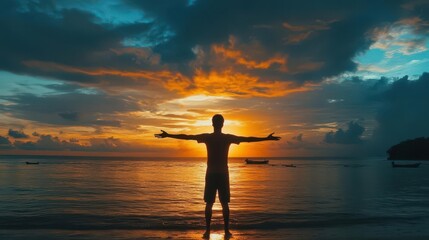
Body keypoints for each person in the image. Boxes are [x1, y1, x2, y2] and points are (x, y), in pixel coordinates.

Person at [155, 114, 280, 238]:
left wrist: (168, 135)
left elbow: (187, 137)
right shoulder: (227, 138)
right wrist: (266, 138)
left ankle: (208, 230)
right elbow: (247, 139)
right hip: (223, 174)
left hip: (211, 173)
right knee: (224, 203)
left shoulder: (208, 137)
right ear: (222, 124)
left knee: (209, 203)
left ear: (213, 124)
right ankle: (226, 231)